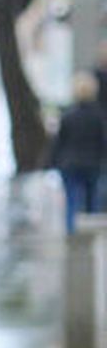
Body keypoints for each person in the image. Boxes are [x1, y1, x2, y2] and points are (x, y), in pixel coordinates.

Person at [48, 72, 105, 234]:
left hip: (69, 164)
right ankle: (92, 236)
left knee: (72, 202)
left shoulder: (68, 116)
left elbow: (58, 143)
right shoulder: (98, 117)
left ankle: (71, 235)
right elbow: (102, 143)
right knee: (92, 202)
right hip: (92, 164)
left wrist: (52, 163)